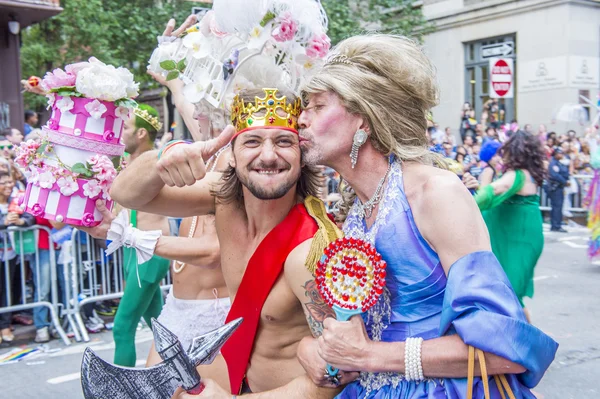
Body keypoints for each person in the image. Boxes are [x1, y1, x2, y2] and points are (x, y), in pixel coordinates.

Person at [297, 34, 557, 398]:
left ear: (364, 120)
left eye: (317, 105)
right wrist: (312, 350)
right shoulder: (356, 211)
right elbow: (357, 335)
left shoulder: (435, 193)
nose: (301, 119)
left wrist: (372, 356)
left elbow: (506, 348)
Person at [109, 88, 341, 398]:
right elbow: (125, 193)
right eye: (253, 141)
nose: (269, 155)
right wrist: (166, 154)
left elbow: (337, 377)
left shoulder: (313, 251)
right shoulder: (224, 201)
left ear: (303, 154)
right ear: (231, 153)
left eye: (284, 141)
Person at [112, 104, 172, 366]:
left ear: (141, 134)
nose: (119, 132)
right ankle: (186, 379)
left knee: (122, 326)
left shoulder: (156, 164)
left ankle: (121, 393)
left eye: (126, 127)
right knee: (159, 328)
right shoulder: (128, 163)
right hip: (133, 251)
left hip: (149, 252)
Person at [472, 131, 546, 320]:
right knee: (511, 294)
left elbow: (495, 190)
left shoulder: (517, 175)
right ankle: (525, 339)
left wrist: (465, 200)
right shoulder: (528, 174)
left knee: (509, 293)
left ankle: (523, 340)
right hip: (521, 237)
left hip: (516, 239)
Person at [0, 170, 35, 343]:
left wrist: (22, 222)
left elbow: (31, 216)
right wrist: (3, 223)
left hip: (11, 255)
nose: (8, 186)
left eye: (9, 182)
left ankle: (5, 326)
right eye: (3, 183)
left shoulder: (15, 201)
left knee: (8, 290)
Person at [547, 147, 570, 232]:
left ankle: (557, 223)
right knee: (557, 207)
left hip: (559, 187)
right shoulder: (553, 163)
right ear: (555, 154)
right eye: (559, 153)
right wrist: (565, 181)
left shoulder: (559, 163)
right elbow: (555, 175)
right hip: (555, 187)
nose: (561, 155)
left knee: (558, 207)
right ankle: (556, 225)